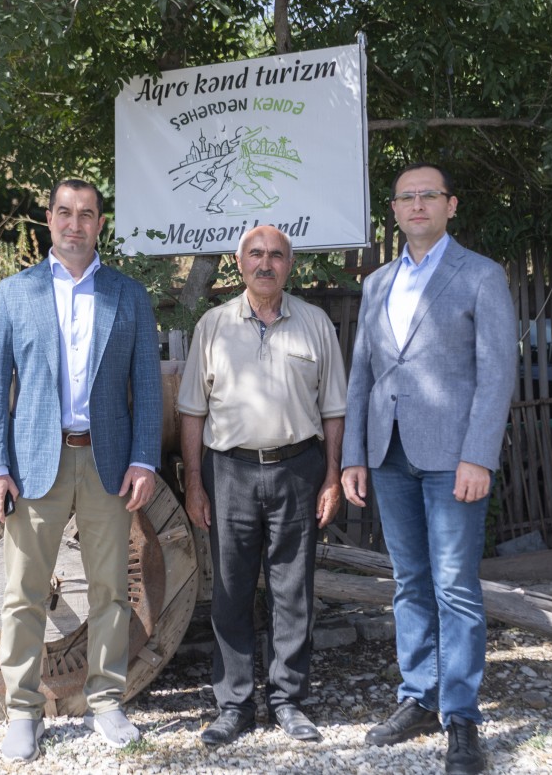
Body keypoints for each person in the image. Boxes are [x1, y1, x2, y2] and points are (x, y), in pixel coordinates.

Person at [0, 179, 163, 763]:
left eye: (86, 214)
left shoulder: (127, 296)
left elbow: (148, 389)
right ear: (48, 220)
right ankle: (23, 712)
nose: (74, 224)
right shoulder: (14, 293)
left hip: (106, 462)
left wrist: (143, 458)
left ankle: (106, 700)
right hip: (35, 463)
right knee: (24, 592)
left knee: (111, 589)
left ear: (100, 223)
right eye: (64, 212)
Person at [341, 163, 516, 775]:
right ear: (393, 210)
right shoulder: (376, 283)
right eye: (406, 198)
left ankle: (462, 716)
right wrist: (353, 456)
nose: (417, 205)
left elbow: (497, 374)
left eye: (428, 196)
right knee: (410, 583)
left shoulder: (481, 276)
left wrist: (479, 455)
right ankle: (418, 695)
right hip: (388, 454)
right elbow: (362, 373)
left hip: (452, 459)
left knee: (455, 586)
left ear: (450, 205)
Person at [178, 225, 347, 748]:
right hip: (228, 470)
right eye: (256, 254)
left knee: (292, 590)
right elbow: (191, 413)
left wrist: (332, 476)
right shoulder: (213, 325)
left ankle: (288, 701)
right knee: (229, 590)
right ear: (239, 263)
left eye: (276, 254)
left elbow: (335, 410)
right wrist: (194, 486)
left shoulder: (315, 324)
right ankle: (233, 705)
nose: (266, 263)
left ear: (289, 264)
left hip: (299, 468)